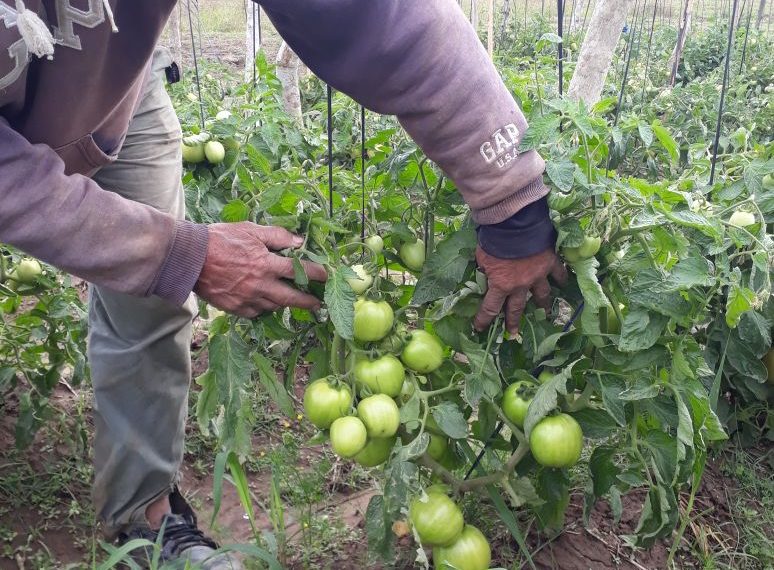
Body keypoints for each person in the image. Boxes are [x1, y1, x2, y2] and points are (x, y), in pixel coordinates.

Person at [0, 0, 566, 567]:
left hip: (119, 75)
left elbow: (378, 15)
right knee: (161, 267)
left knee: (151, 298)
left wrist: (510, 200)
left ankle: (143, 515)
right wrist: (182, 253)